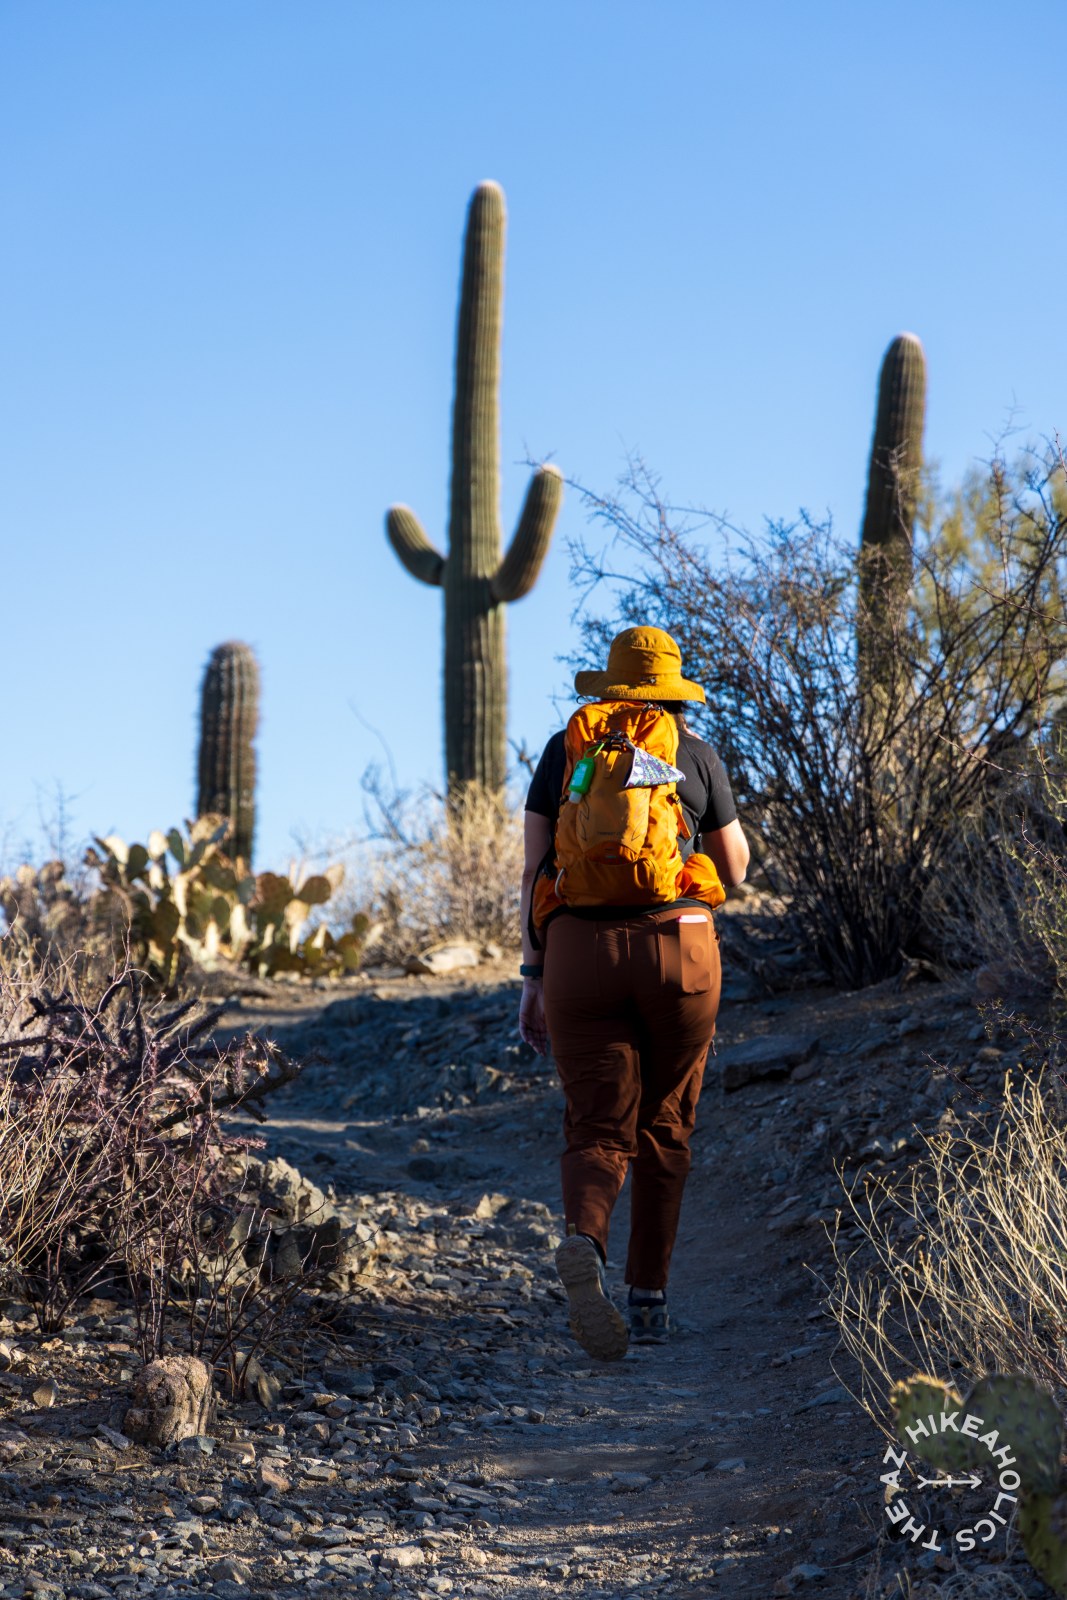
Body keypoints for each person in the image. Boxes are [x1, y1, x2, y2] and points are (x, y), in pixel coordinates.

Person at [519, 626, 749, 1360]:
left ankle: (585, 1239)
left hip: (577, 952)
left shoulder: (567, 751)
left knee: (596, 1124)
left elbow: (533, 877)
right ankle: (648, 1302)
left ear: (610, 687)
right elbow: (735, 870)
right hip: (679, 948)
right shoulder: (696, 751)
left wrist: (532, 977)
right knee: (666, 1123)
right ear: (672, 690)